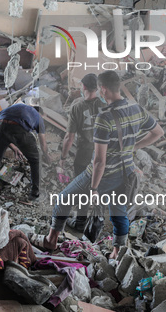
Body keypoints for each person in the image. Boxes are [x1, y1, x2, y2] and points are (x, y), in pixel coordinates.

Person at [35, 70, 164, 259]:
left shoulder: (104, 118)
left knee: (62, 200)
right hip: (127, 171)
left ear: (103, 89)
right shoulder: (137, 109)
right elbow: (158, 132)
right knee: (118, 211)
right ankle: (117, 251)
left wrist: (94, 189)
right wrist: (133, 147)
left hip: (104, 174)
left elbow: (99, 161)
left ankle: (51, 240)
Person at [59, 73, 104, 231]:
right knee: (100, 187)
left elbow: (69, 138)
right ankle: (101, 221)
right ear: (97, 87)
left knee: (84, 190)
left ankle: (80, 222)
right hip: (104, 155)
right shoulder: (105, 105)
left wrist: (63, 158)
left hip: (84, 156)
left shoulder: (77, 106)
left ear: (83, 86)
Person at [0, 102, 52, 201]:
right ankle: (35, 194)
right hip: (18, 128)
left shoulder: (18, 107)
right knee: (35, 160)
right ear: (41, 113)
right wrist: (46, 155)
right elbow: (43, 144)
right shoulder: (38, 117)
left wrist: (15, 147)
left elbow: (5, 128)